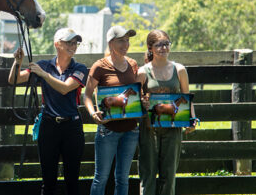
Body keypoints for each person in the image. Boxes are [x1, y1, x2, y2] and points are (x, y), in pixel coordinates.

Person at [8, 27, 89, 195]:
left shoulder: (80, 68)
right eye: (68, 42)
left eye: (75, 43)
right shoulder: (43, 65)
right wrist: (17, 62)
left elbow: (65, 88)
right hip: (48, 126)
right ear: (57, 44)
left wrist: (44, 75)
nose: (73, 46)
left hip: (72, 128)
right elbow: (14, 79)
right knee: (48, 180)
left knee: (72, 180)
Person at [136, 30, 196, 195]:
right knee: (147, 175)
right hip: (149, 129)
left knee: (169, 175)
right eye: (158, 45)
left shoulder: (179, 70)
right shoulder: (142, 72)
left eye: (166, 44)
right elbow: (135, 102)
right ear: (150, 48)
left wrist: (192, 118)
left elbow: (187, 97)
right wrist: (143, 102)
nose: (163, 48)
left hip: (173, 128)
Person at [84, 25, 140, 195]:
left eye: (128, 40)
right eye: (121, 40)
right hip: (107, 130)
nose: (126, 44)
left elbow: (137, 93)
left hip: (131, 130)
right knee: (101, 177)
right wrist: (93, 113)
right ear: (110, 43)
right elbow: (86, 95)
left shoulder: (133, 64)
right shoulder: (99, 66)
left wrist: (143, 101)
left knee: (123, 178)